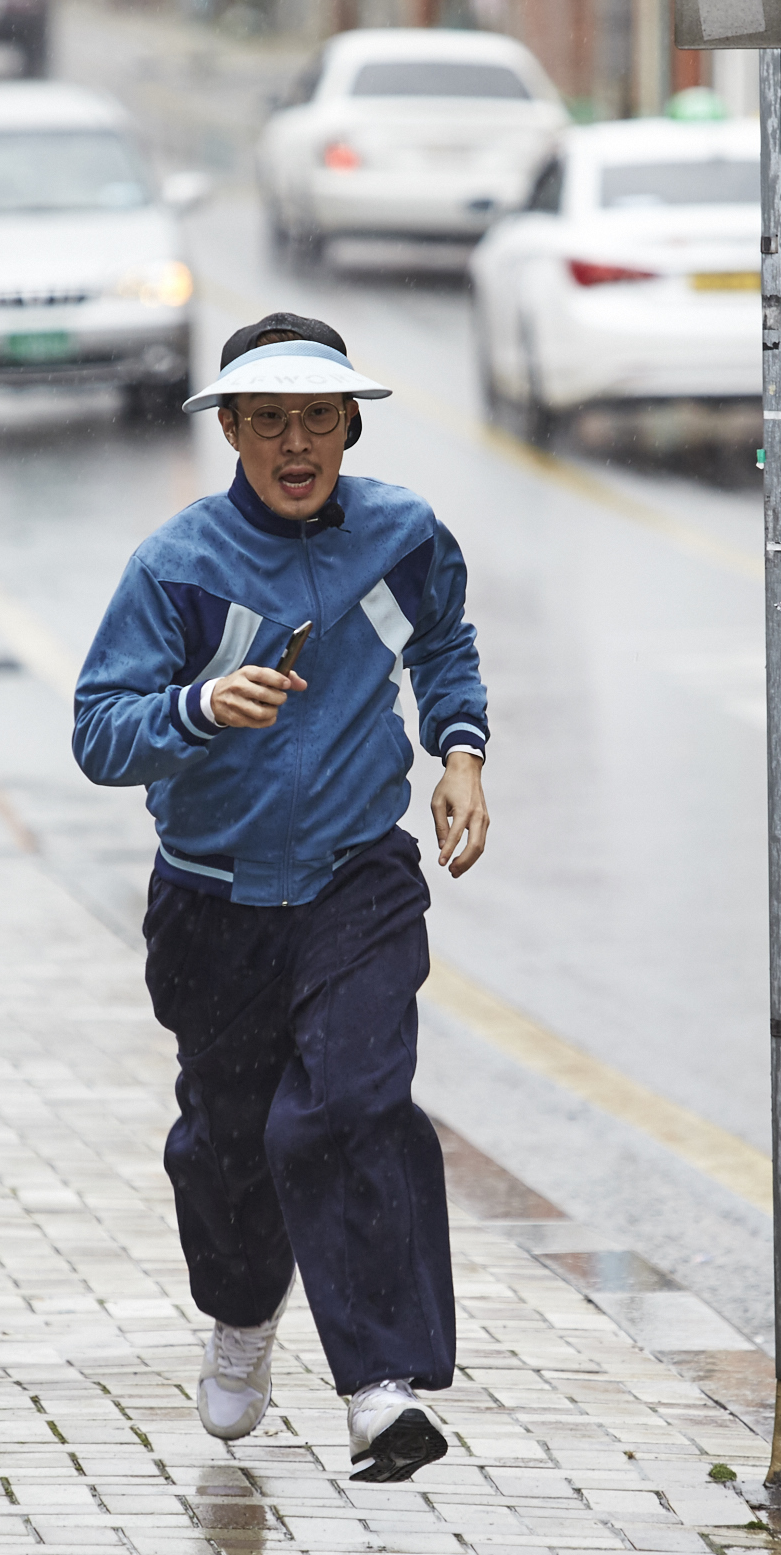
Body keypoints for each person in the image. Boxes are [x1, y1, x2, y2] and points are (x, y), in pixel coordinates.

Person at [73, 312, 490, 1482]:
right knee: (230, 1144)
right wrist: (200, 708)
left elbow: (443, 647)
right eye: (267, 420)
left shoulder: (403, 539)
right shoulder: (178, 567)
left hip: (358, 879)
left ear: (350, 424)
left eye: (317, 418)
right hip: (211, 902)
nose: (294, 443)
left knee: (349, 1106)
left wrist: (460, 755)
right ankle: (242, 1314)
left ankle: (381, 1389)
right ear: (232, 433)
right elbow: (100, 733)